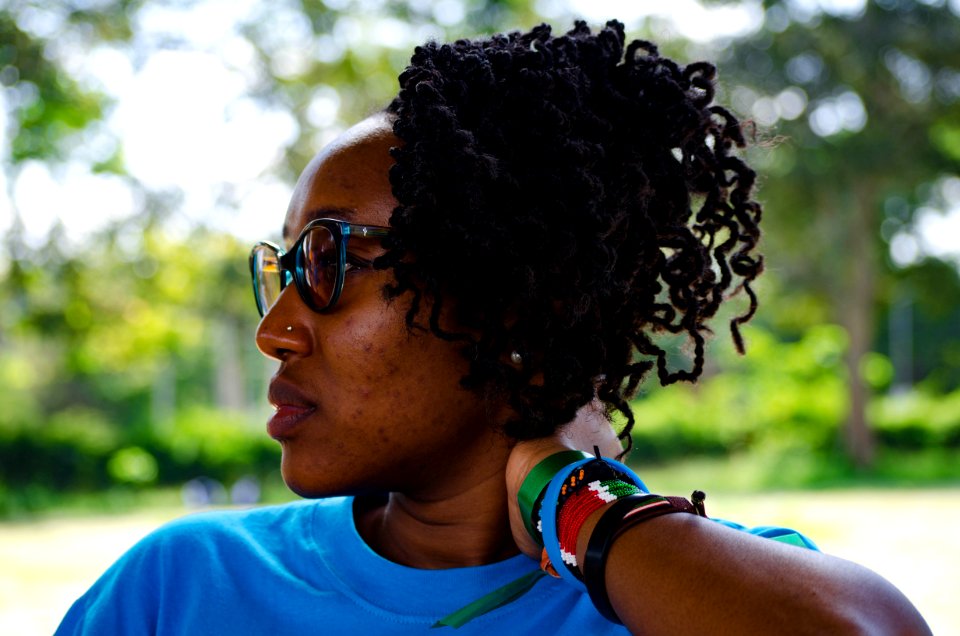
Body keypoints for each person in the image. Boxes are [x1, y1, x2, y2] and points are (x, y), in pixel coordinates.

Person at [57, 20, 930, 634]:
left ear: (511, 300)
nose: (276, 331)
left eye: (325, 263)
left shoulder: (698, 592)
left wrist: (575, 499)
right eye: (279, 273)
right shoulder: (178, 593)